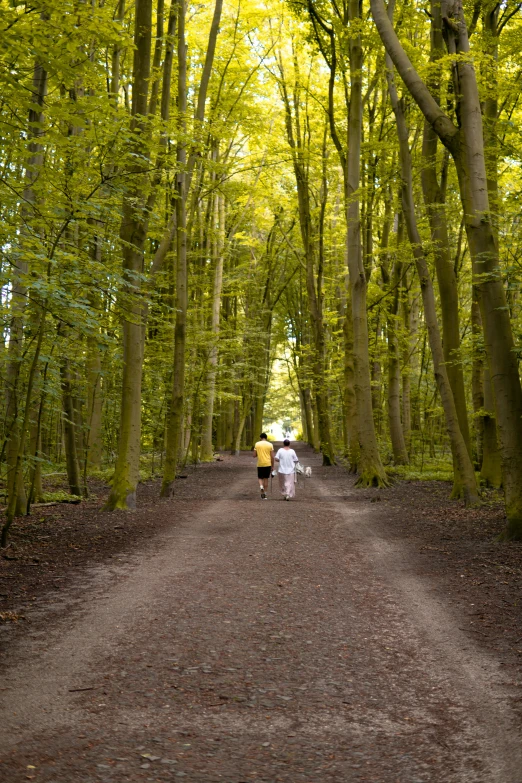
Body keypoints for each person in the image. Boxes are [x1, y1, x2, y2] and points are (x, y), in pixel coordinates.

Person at [253, 433, 274, 500]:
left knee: (260, 477)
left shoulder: (257, 444)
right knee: (266, 478)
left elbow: (254, 455)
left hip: (260, 464)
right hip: (268, 463)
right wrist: (272, 466)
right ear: (266, 438)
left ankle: (261, 486)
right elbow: (272, 456)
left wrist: (256, 454)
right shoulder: (270, 445)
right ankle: (265, 494)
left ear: (260, 437)